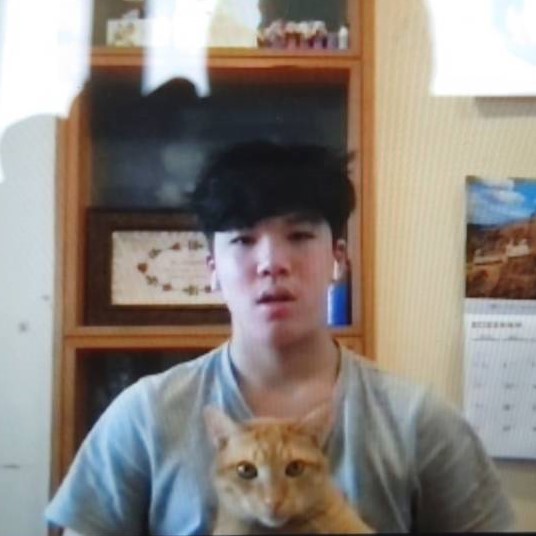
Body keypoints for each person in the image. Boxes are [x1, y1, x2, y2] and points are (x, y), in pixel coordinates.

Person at [46, 141, 515, 534]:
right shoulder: (145, 417)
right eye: (243, 240)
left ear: (338, 259)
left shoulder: (420, 422)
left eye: (299, 236)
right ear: (212, 269)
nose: (272, 263)